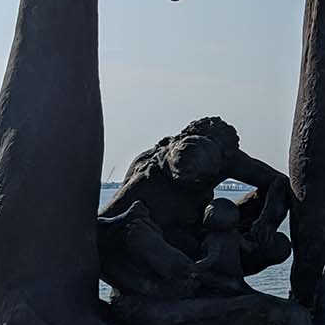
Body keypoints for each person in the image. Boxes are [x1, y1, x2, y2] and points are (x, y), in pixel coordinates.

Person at [96, 116, 290, 299]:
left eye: (201, 182)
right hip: (166, 246)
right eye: (188, 183)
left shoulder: (221, 152)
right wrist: (126, 218)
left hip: (205, 233)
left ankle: (223, 278)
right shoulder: (148, 175)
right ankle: (212, 285)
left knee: (277, 246)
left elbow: (279, 182)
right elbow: (97, 228)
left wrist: (266, 221)